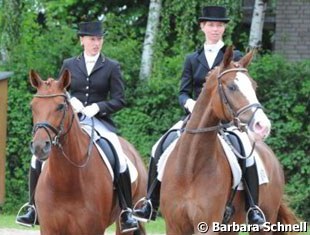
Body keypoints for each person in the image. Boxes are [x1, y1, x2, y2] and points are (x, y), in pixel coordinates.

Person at [133, 6, 266, 226]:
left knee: (247, 152)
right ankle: (150, 202)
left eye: (220, 25)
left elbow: (241, 89)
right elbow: (182, 91)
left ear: (224, 28)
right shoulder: (192, 59)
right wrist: (190, 103)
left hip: (226, 120)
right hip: (195, 120)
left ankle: (253, 208)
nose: (215, 29)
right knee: (159, 146)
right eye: (211, 25)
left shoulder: (234, 56)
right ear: (203, 27)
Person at [16, 21, 139, 233]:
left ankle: (126, 211)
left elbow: (119, 99)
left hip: (98, 121)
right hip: (69, 119)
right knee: (36, 158)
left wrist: (97, 108)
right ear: (82, 40)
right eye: (92, 39)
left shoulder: (111, 66)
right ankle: (32, 207)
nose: (96, 43)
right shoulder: (69, 64)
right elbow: (59, 90)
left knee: (118, 155)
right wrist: (72, 102)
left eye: (99, 39)